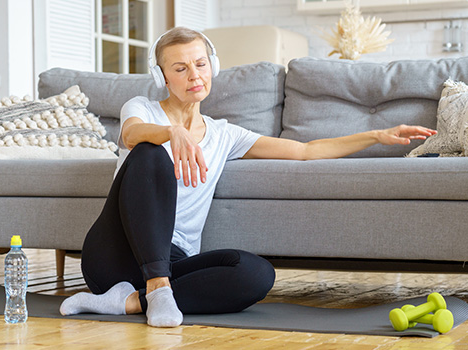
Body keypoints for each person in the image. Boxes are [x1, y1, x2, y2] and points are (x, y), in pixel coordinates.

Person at [59, 27, 437, 328]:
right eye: (180, 68)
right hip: (113, 255)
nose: (194, 75)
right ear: (162, 77)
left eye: (200, 64)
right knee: (150, 155)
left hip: (173, 260)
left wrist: (377, 136)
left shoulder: (225, 134)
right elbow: (130, 135)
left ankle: (127, 302)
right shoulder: (141, 108)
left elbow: (305, 150)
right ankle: (156, 289)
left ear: (213, 67)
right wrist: (170, 133)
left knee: (256, 274)